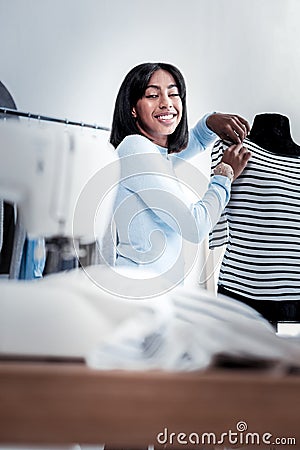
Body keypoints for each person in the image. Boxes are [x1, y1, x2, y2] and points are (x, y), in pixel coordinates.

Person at [109, 62, 251, 286]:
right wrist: (224, 174)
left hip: (155, 293)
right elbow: (194, 226)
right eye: (153, 95)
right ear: (132, 108)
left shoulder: (153, 153)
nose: (166, 103)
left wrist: (208, 124)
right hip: (139, 294)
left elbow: (182, 149)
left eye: (173, 94)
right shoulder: (136, 147)